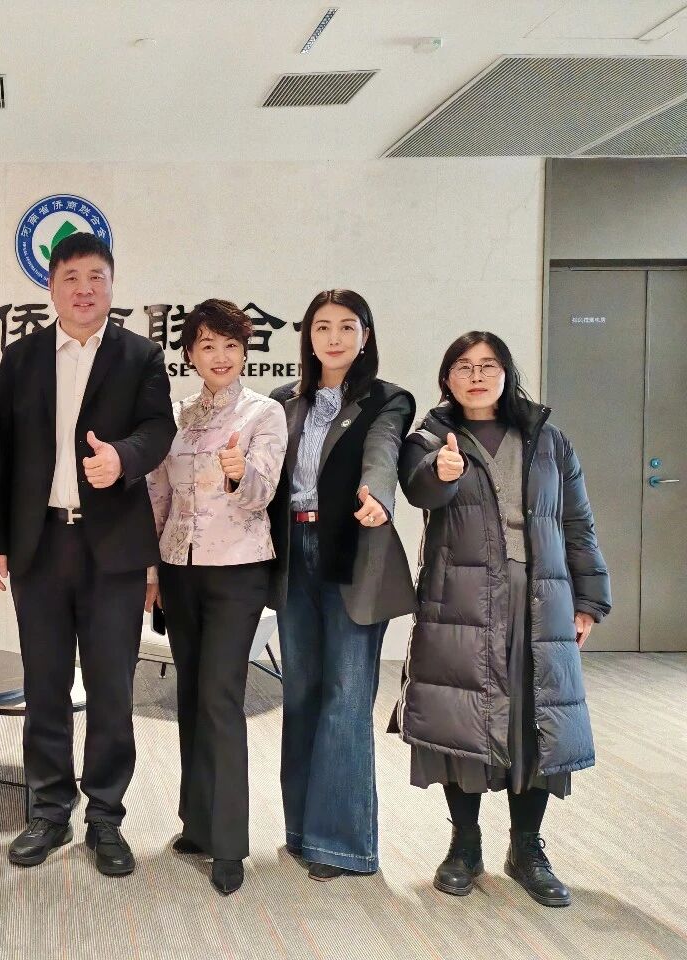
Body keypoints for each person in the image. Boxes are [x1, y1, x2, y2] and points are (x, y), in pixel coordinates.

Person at [0, 232, 176, 877]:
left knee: (112, 689)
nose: (84, 289)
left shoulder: (140, 355)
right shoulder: (22, 357)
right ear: (51, 286)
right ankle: (48, 809)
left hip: (112, 548)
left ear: (112, 285)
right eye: (71, 277)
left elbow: (159, 429)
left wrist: (123, 458)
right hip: (40, 543)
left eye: (96, 277)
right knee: (45, 684)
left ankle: (106, 816)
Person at [395, 331, 610, 908]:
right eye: (463, 366)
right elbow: (418, 490)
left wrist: (589, 599)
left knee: (537, 721)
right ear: (447, 378)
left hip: (540, 599)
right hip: (461, 602)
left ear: (506, 373)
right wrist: (441, 472)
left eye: (488, 366)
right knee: (460, 720)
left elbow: (577, 522)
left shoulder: (549, 440)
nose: (476, 376)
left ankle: (526, 848)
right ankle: (465, 845)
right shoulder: (428, 439)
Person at [268, 289, 416, 881]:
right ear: (307, 336)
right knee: (301, 692)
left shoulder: (386, 399)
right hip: (292, 554)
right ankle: (301, 830)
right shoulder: (284, 401)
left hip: (353, 552)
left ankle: (341, 844)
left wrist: (376, 494)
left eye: (347, 326)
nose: (334, 338)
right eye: (322, 327)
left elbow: (382, 451)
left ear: (365, 335)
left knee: (347, 696)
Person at [145, 299, 286, 896]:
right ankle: (197, 823)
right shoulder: (175, 417)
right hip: (179, 570)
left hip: (236, 572)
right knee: (190, 695)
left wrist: (237, 471)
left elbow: (262, 492)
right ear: (189, 354)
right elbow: (158, 496)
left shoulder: (264, 413)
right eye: (207, 345)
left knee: (221, 699)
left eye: (230, 345)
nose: (220, 356)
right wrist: (151, 572)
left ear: (245, 351)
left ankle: (229, 843)